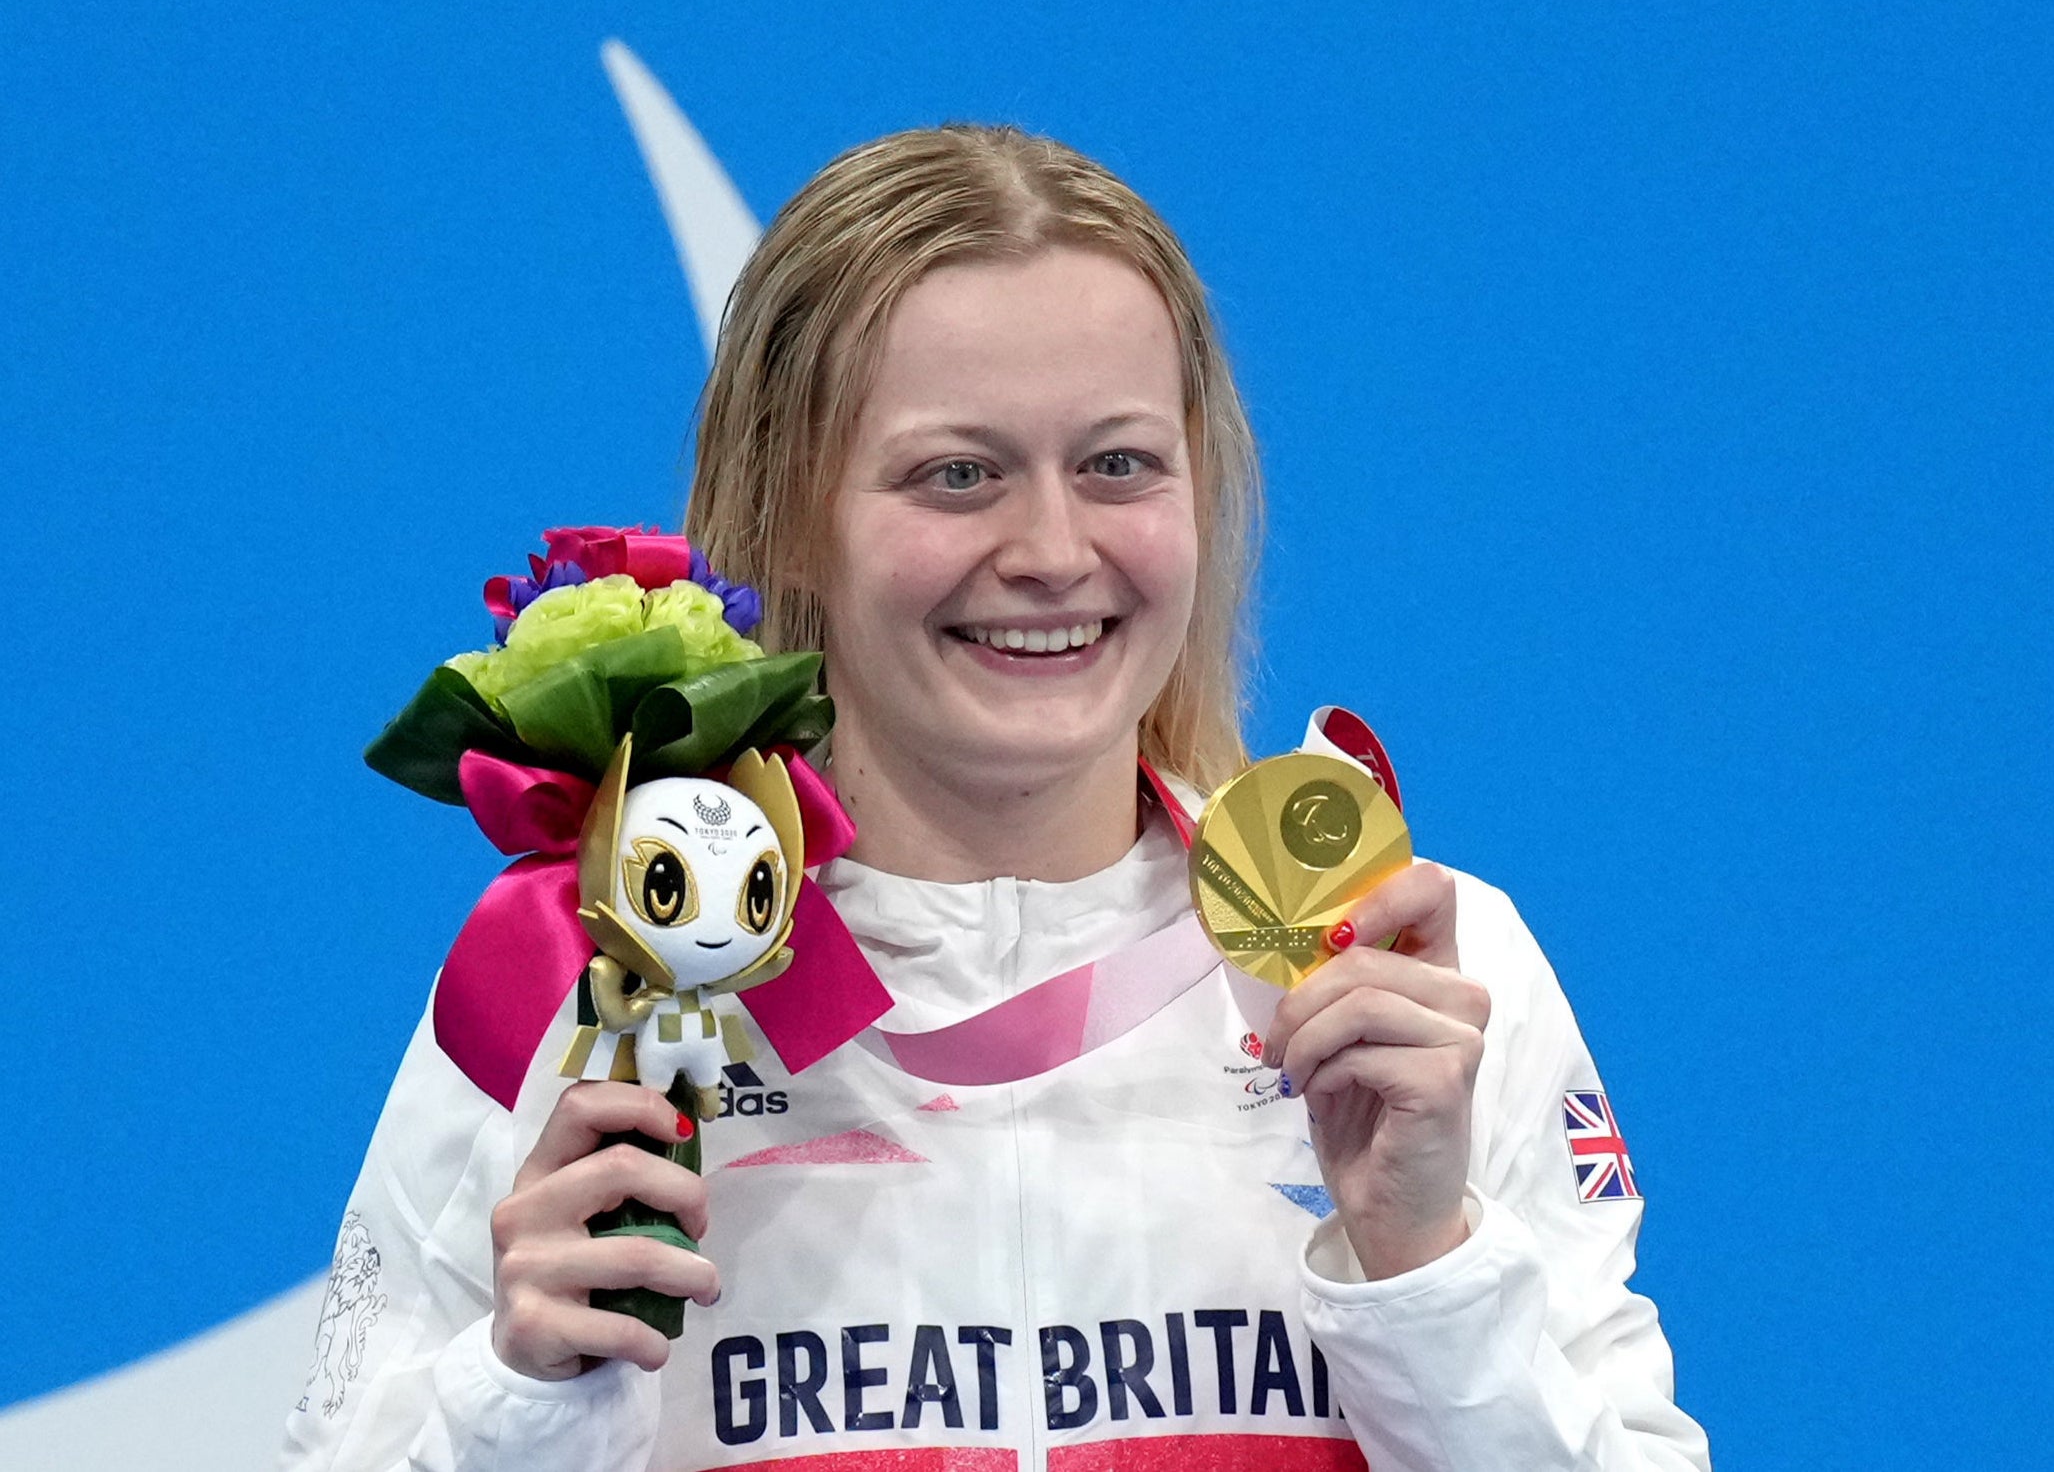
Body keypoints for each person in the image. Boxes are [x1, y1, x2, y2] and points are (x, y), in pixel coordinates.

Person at [283, 125, 1713, 1471]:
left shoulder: (1412, 971)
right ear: (787, 512)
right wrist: (524, 1393)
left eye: (1117, 465)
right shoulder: (589, 981)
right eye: (956, 476)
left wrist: (1427, 1264)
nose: (1050, 547)